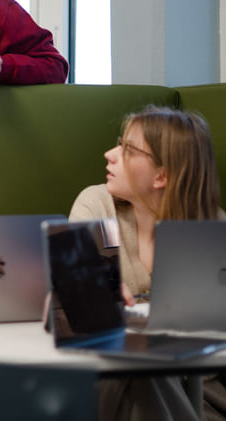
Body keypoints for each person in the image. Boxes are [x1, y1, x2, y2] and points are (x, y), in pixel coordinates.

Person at [70, 105, 226, 421]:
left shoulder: (212, 227)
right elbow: (70, 296)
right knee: (133, 367)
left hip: (203, 398)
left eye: (128, 150)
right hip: (115, 389)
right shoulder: (97, 205)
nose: (109, 154)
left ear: (161, 175)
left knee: (138, 368)